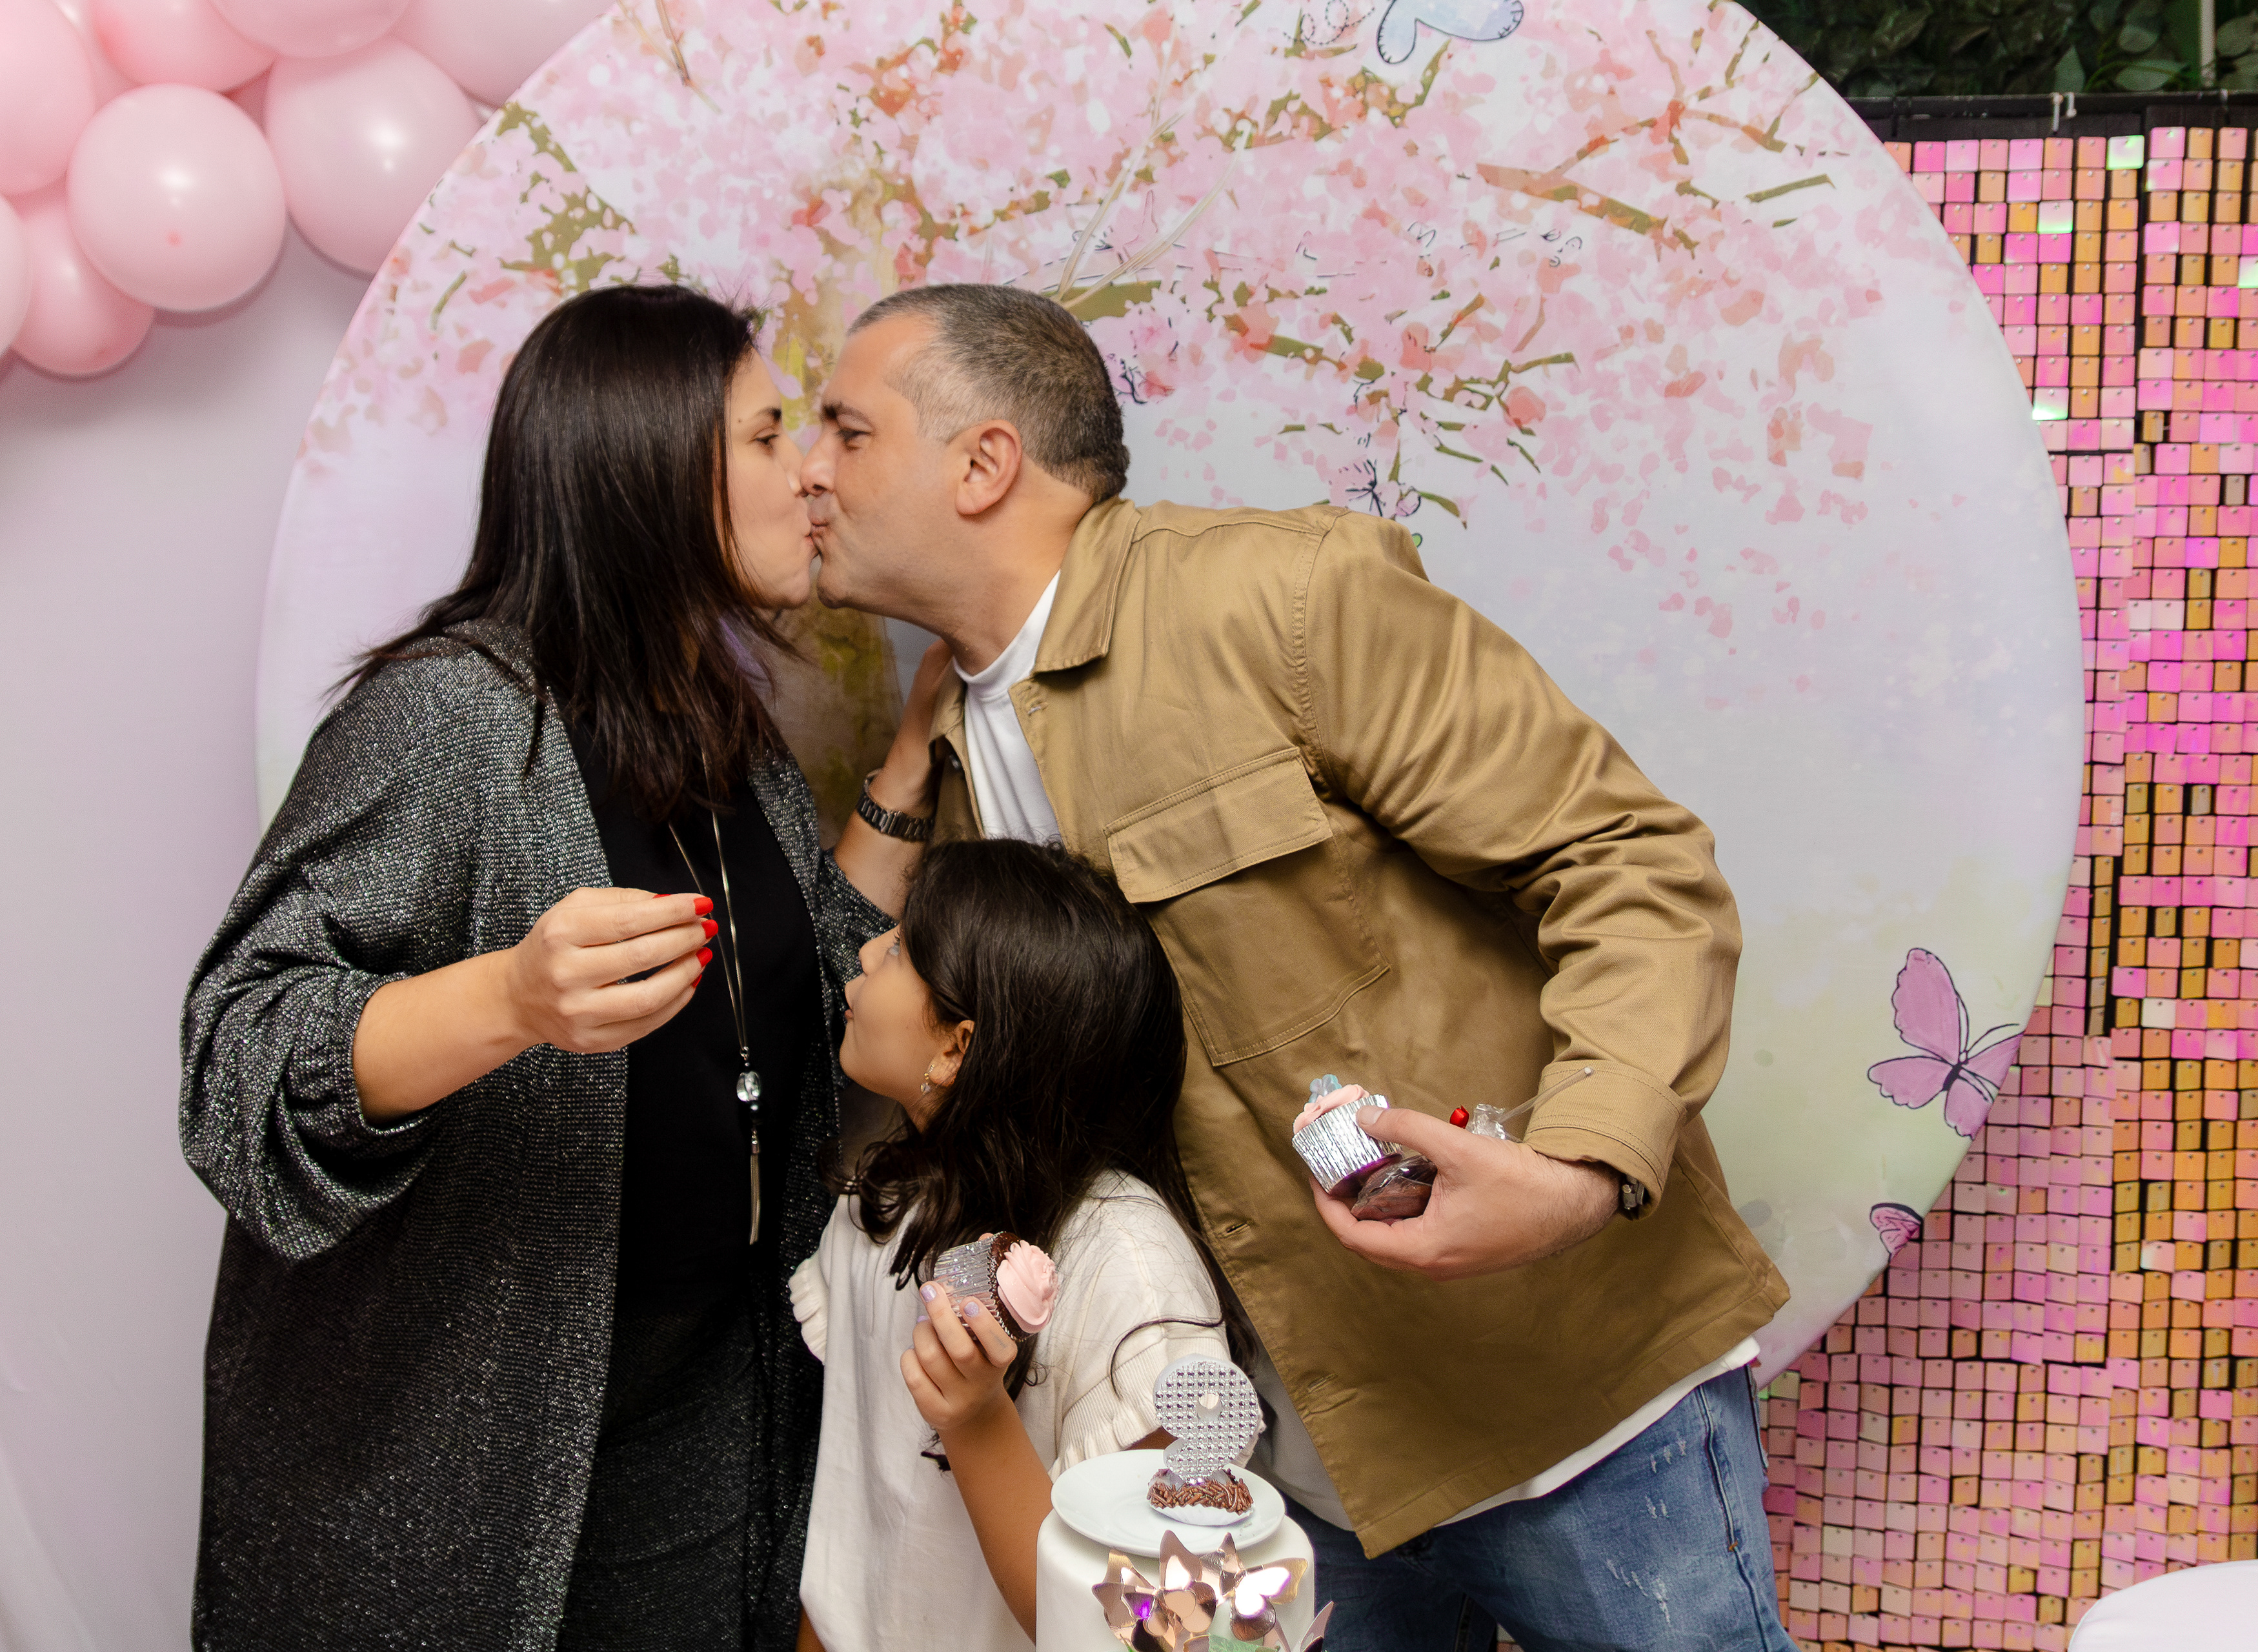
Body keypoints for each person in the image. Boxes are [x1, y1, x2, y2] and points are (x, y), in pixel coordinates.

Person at [797, 283, 1795, 1651]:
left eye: (848, 430)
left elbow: (1634, 860)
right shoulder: (960, 747)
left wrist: (1578, 1169)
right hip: (1264, 1466)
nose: (809, 467)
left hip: (1555, 1398)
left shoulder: (1280, 597)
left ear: (983, 463)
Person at [179, 283, 945, 1651]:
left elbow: (803, 983)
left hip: (711, 1407)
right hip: (470, 1440)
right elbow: (238, 1059)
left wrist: (906, 766)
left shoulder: (719, 716)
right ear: (651, 472)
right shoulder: (448, 715)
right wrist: (506, 999)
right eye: (771, 435)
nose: (812, 472)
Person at [789, 838, 1240, 1649]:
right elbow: (858, 1532)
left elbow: (1151, 1626)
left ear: (957, 1046)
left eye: (897, 947)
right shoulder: (882, 1204)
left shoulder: (1130, 1268)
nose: (862, 950)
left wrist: (975, 1418)